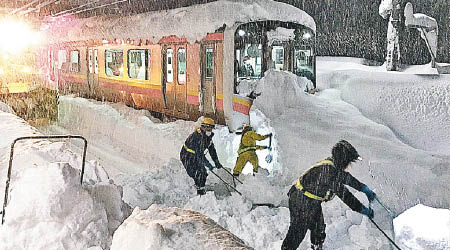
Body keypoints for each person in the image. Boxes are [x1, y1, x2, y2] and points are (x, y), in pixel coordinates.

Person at [281, 140, 376, 250]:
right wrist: (362, 210)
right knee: (297, 232)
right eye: (348, 162)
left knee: (318, 228)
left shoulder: (332, 166)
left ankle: (317, 247)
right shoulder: (329, 172)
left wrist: (363, 188)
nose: (348, 166)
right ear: (343, 161)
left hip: (309, 200)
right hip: (301, 201)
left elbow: (346, 178)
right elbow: (346, 196)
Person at [180, 117, 224, 195]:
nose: (210, 130)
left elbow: (212, 150)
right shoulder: (197, 136)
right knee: (197, 172)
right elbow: (199, 154)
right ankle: (199, 190)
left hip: (196, 155)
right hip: (187, 156)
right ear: (204, 127)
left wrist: (216, 161)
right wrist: (208, 164)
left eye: (211, 128)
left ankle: (201, 187)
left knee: (203, 172)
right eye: (208, 128)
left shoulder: (207, 137)